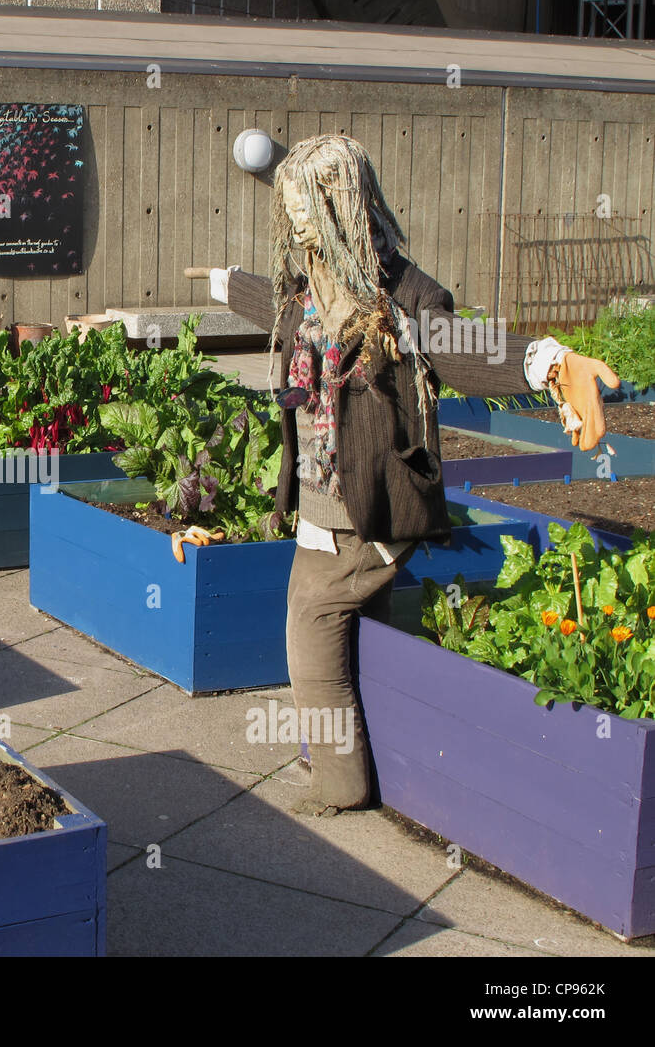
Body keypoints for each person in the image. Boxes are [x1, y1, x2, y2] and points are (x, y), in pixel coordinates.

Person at [211, 134, 619, 817]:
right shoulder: (314, 288)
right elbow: (276, 310)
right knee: (360, 626)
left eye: (309, 206)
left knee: (311, 623)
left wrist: (546, 362)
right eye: (290, 208)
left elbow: (461, 348)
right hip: (327, 496)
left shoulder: (401, 295)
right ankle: (381, 759)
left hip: (370, 503)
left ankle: (339, 781)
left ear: (344, 203)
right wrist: (226, 284)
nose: (299, 222)